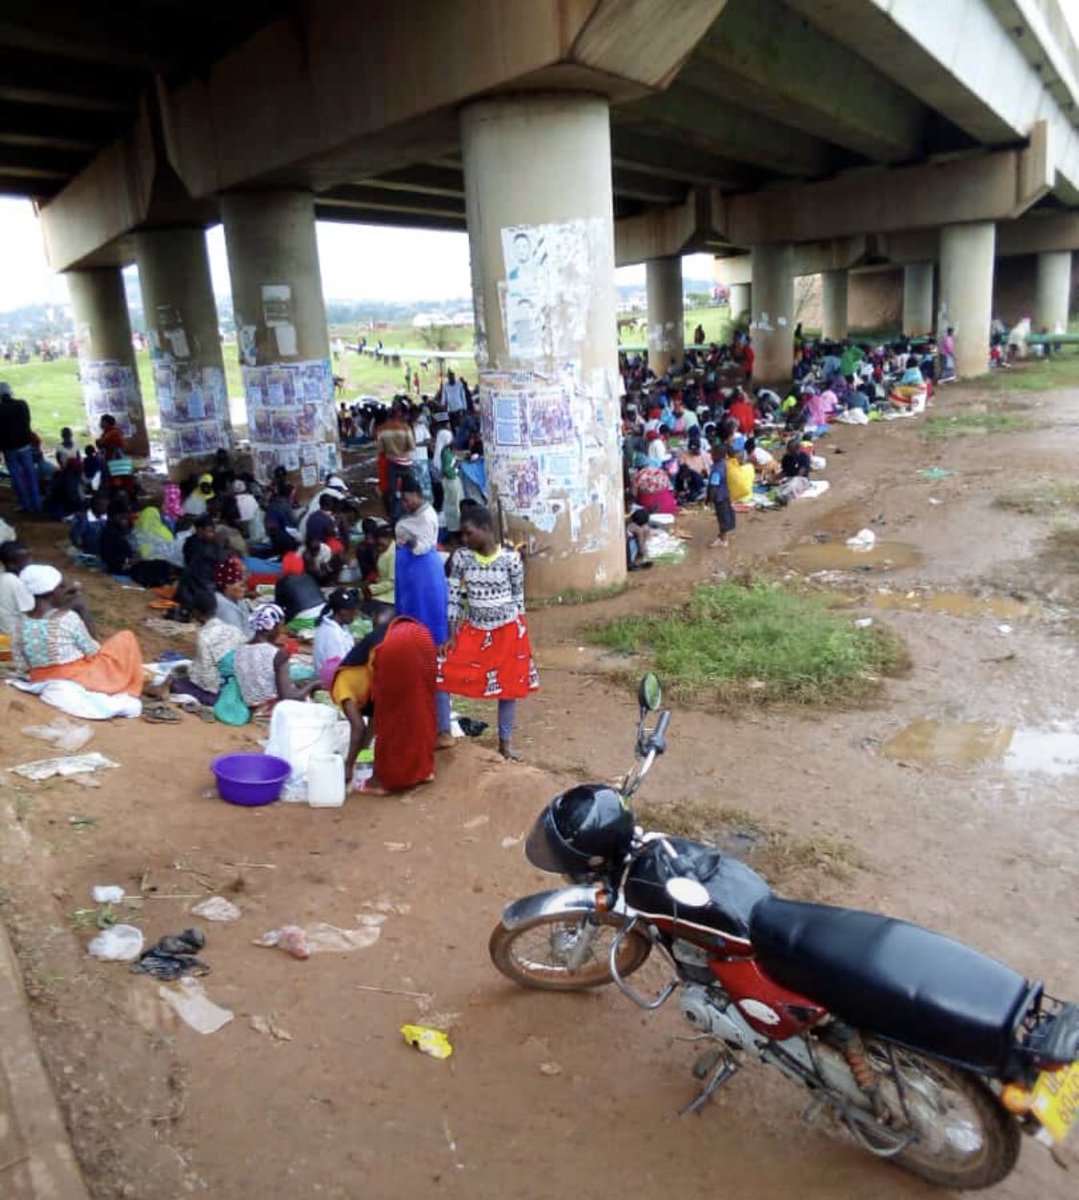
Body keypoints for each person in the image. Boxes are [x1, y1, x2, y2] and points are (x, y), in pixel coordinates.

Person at [437, 505, 538, 760]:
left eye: (469, 533)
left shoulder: (511, 560)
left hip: (508, 631)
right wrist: (451, 635)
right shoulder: (461, 558)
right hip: (475, 630)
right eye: (463, 535)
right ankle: (443, 731)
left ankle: (505, 744)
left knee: (508, 688)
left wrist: (520, 634)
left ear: (485, 530)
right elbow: (454, 599)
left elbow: (518, 600)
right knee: (439, 670)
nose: (464, 539)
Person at [332, 612, 437, 792]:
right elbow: (373, 723)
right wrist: (361, 754)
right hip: (420, 634)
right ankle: (424, 771)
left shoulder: (340, 686)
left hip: (394, 647)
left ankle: (382, 781)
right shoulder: (359, 671)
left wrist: (348, 765)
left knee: (393, 722)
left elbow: (358, 728)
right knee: (420, 709)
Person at [12, 564, 144, 696]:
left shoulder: (20, 622)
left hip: (38, 678)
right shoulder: (67, 618)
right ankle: (131, 685)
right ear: (53, 593)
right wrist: (84, 611)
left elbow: (21, 663)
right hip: (76, 678)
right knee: (126, 637)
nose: (65, 592)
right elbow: (93, 651)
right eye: (61, 587)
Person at [233, 602, 320, 713]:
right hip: (275, 711)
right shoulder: (277, 654)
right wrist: (314, 684)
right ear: (271, 626)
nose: (282, 630)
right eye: (280, 625)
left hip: (253, 709)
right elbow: (288, 697)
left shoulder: (240, 649)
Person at [393, 475, 448, 648]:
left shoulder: (425, 517)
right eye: (403, 501)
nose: (405, 505)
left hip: (422, 571)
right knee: (411, 607)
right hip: (411, 570)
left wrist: (406, 539)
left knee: (425, 608)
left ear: (417, 494)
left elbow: (421, 547)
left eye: (407, 500)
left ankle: (429, 646)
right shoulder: (416, 514)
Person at [170, 590, 246, 707]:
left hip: (219, 692)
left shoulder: (205, 636)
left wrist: (190, 673)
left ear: (196, 612)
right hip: (240, 688)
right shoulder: (234, 630)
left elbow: (207, 680)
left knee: (177, 684)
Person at [0, 381, 41, 513]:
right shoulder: (22, 404)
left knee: (17, 477)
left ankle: (25, 504)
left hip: (9, 448)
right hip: (24, 445)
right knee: (31, 474)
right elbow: (27, 422)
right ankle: (37, 503)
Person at [314, 586, 359, 689]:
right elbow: (337, 668)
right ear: (342, 611)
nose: (355, 614)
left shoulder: (341, 626)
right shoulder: (332, 634)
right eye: (352, 611)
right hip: (333, 681)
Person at [0, 541, 32, 635]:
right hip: (15, 634)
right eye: (25, 560)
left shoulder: (4, 578)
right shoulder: (15, 582)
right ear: (11, 564)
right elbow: (30, 610)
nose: (29, 562)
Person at [213, 556, 251, 633]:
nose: (245, 589)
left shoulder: (235, 599)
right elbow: (238, 638)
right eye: (241, 585)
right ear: (227, 585)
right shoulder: (224, 606)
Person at [96, 415, 132, 496]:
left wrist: (99, 442)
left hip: (115, 463)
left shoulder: (113, 433)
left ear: (106, 423)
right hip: (114, 461)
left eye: (102, 421)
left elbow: (101, 443)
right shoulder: (109, 432)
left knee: (117, 482)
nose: (100, 423)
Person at [708, 443, 734, 550]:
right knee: (724, 516)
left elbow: (714, 485)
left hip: (719, 497)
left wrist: (710, 498)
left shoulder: (717, 470)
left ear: (717, 455)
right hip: (726, 493)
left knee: (721, 517)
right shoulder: (725, 463)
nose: (710, 455)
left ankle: (723, 540)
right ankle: (722, 536)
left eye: (712, 453)